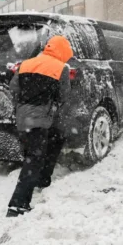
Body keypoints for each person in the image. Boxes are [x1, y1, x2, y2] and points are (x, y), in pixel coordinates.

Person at [7, 35, 73, 217]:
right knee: (34, 158)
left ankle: (42, 179)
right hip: (41, 117)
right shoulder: (61, 68)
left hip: (23, 116)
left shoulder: (26, 64)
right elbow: (64, 96)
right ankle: (17, 205)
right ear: (62, 52)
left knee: (55, 139)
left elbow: (14, 88)